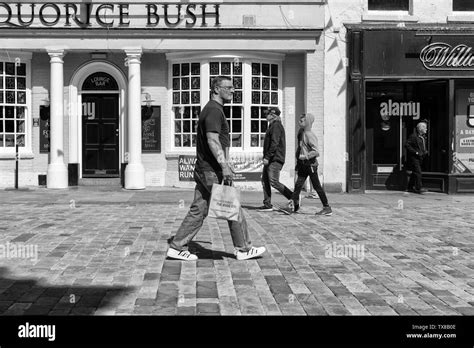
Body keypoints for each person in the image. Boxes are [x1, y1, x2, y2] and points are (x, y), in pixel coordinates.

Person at [167, 76, 266, 261]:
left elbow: (218, 141)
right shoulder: (213, 111)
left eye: (233, 87)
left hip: (207, 169)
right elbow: (212, 140)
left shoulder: (215, 110)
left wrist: (226, 164)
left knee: (199, 209)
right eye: (228, 87)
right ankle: (243, 249)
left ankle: (177, 246)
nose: (233, 90)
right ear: (216, 89)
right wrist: (223, 165)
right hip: (210, 171)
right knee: (232, 204)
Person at [285, 113, 332, 216]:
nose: (299, 122)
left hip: (310, 165)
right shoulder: (302, 132)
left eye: (302, 121)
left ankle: (327, 207)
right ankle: (293, 206)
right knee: (298, 186)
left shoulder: (310, 135)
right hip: (303, 165)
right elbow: (301, 148)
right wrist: (299, 160)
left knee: (317, 186)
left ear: (308, 122)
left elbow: (316, 151)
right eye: (300, 120)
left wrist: (305, 156)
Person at [258, 107, 294, 212]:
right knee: (265, 181)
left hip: (274, 159)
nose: (266, 115)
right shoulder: (272, 126)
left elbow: (274, 143)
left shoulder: (276, 126)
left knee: (273, 181)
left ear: (273, 115)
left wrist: (267, 157)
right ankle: (267, 204)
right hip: (270, 158)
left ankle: (293, 197)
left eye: (267, 114)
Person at [405, 121, 429, 194]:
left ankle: (409, 187)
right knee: (418, 172)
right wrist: (416, 152)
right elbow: (407, 145)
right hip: (415, 158)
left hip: (421, 158)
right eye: (425, 128)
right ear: (420, 128)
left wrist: (425, 152)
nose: (426, 129)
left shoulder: (423, 137)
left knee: (415, 172)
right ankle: (419, 188)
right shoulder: (413, 136)